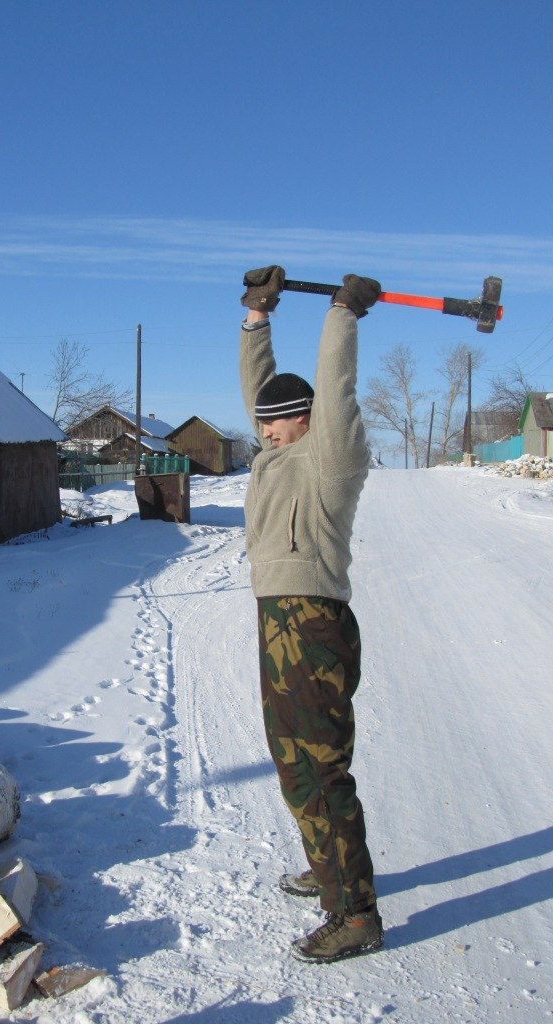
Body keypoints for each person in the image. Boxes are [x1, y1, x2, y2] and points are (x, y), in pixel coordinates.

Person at [238, 265, 383, 963]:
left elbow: (336, 386)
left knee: (320, 772)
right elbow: (257, 389)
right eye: (260, 422)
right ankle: (328, 868)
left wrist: (340, 314)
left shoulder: (329, 458)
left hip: (314, 625)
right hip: (277, 624)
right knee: (293, 764)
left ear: (307, 419)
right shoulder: (274, 460)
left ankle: (353, 914)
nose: (264, 431)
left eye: (277, 420)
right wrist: (257, 318)